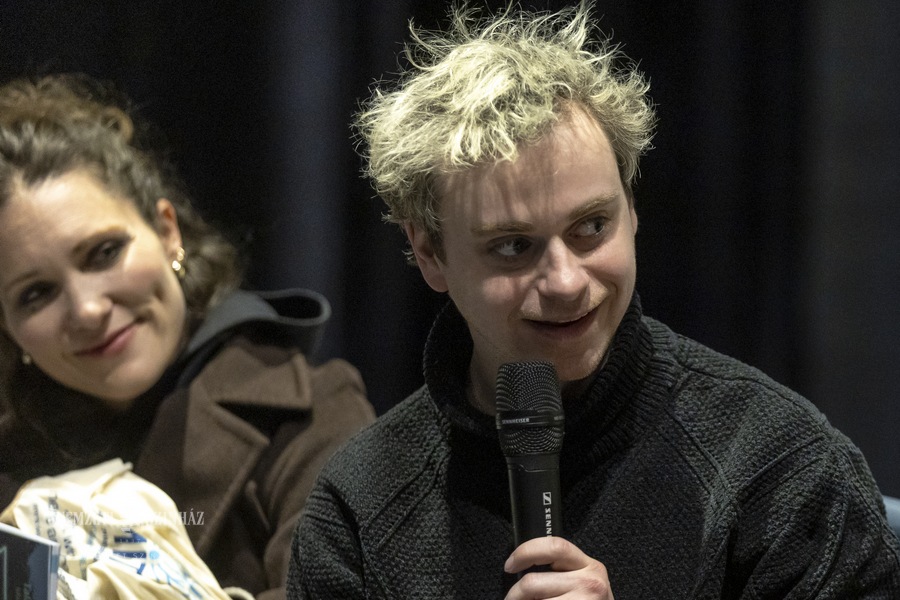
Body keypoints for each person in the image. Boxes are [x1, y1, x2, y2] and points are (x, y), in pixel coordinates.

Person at [286, 2, 900, 598]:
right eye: (513, 246)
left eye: (591, 228)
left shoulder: (778, 465)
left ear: (632, 209)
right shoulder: (360, 508)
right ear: (429, 254)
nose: (566, 282)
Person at [0, 73, 375, 599]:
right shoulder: (11, 469)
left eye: (104, 253)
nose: (87, 310)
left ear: (166, 232)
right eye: (36, 293)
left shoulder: (313, 411)